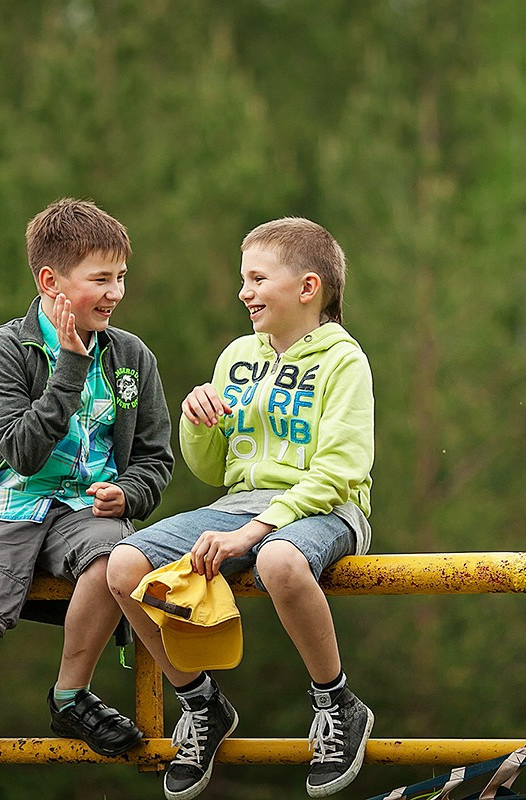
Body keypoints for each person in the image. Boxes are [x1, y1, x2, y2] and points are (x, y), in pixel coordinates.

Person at [107, 217, 376, 800]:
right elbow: (212, 469)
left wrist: (254, 531)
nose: (244, 292)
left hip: (324, 509)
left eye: (257, 279)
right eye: (242, 279)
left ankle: (337, 704)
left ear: (308, 288)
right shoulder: (237, 357)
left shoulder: (344, 363)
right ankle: (201, 704)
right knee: (123, 565)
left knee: (279, 560)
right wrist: (196, 418)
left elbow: (340, 472)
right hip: (237, 506)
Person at [0, 198, 174, 783]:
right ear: (50, 282)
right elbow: (24, 454)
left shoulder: (133, 358)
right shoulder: (1, 349)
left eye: (121, 278)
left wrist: (128, 494)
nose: (116, 294)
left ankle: (71, 696)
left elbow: (156, 459)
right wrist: (71, 368)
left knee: (116, 558)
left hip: (85, 509)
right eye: (101, 279)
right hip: (8, 502)